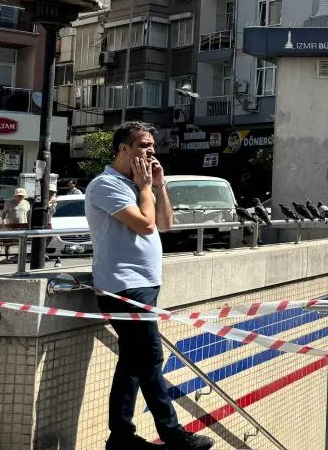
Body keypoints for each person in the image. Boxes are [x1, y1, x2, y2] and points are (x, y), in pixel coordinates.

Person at [86, 121, 214, 450]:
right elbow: (144, 226)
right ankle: (174, 436)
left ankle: (121, 437)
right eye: (144, 146)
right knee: (151, 358)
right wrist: (144, 188)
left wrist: (158, 186)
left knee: (132, 361)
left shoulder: (139, 185)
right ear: (123, 149)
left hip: (144, 286)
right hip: (123, 288)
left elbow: (165, 225)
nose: (151, 152)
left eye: (153, 146)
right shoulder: (106, 184)